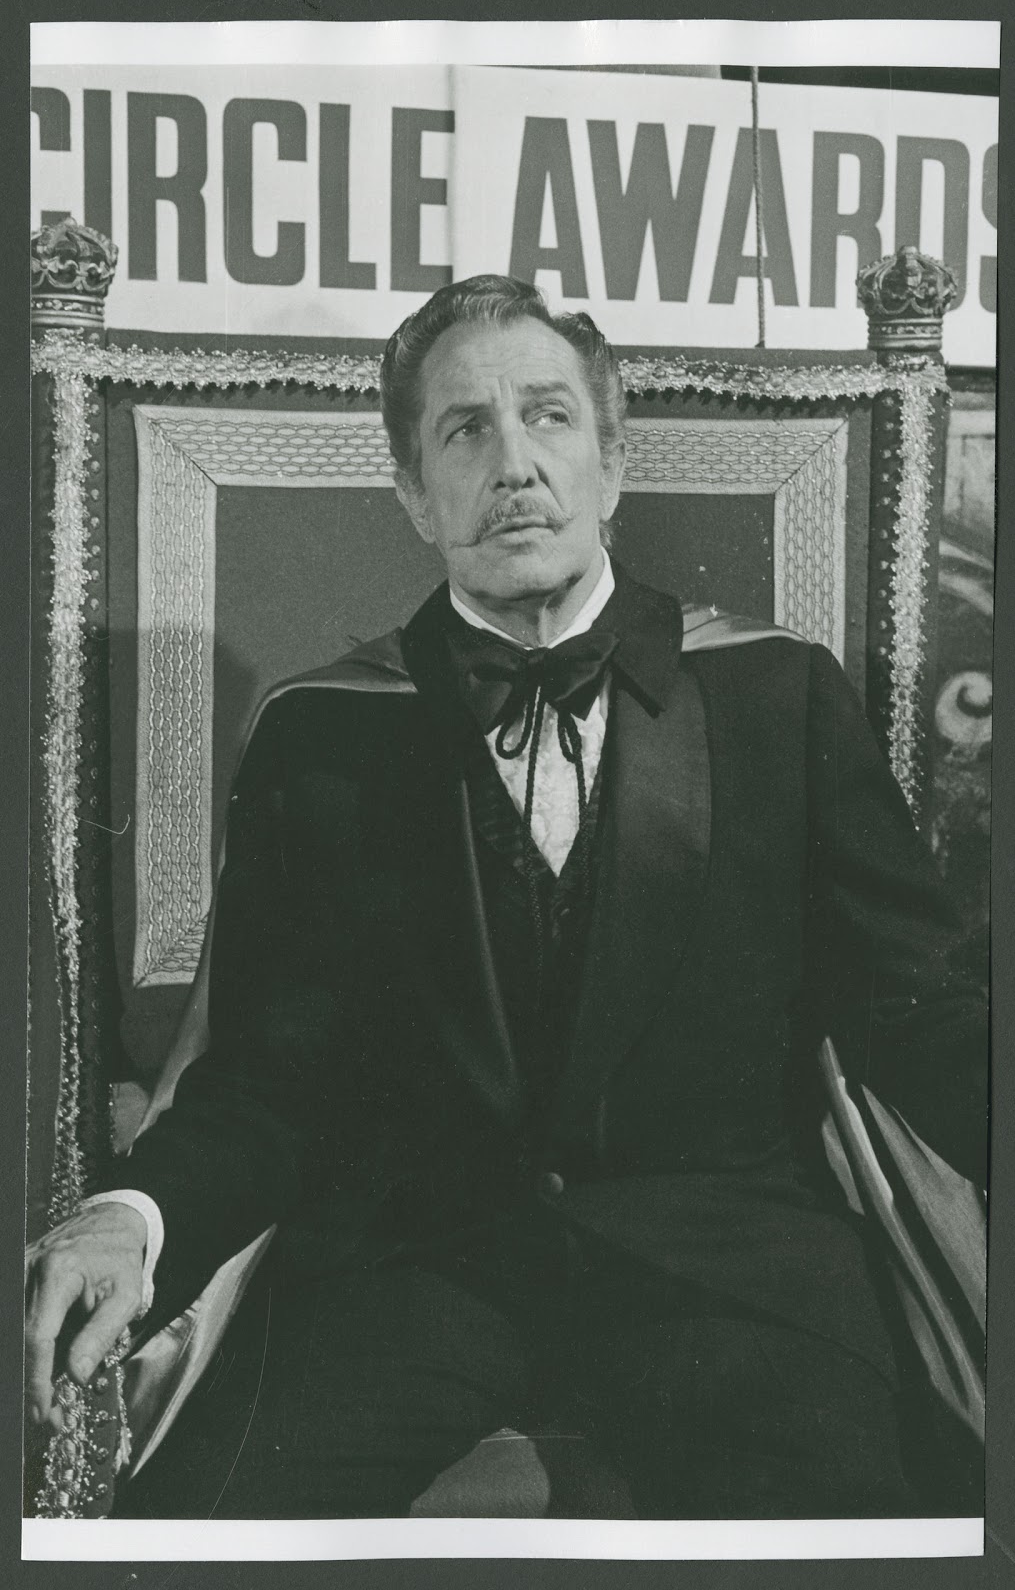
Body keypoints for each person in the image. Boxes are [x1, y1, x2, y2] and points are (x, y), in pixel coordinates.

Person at [25, 274, 987, 1520]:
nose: (514, 463)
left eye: (548, 416)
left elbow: (912, 1010)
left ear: (612, 463)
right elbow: (267, 1081)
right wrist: (131, 1214)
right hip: (414, 1269)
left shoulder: (779, 697)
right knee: (192, 1534)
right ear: (413, 491)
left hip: (730, 1278)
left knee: (876, 1529)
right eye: (465, 429)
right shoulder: (323, 733)